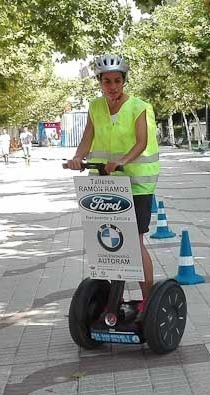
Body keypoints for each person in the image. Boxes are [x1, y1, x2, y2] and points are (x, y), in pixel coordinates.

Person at [66, 53, 160, 324]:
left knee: (134, 242)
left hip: (137, 184)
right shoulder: (95, 106)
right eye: (107, 81)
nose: (112, 86)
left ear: (124, 81)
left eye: (117, 80)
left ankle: (147, 301)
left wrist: (122, 161)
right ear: (100, 82)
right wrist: (77, 157)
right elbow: (88, 137)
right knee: (107, 242)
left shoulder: (139, 106)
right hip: (105, 183)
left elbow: (142, 142)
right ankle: (111, 301)